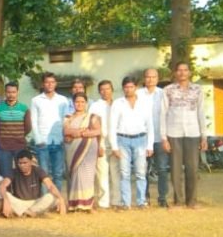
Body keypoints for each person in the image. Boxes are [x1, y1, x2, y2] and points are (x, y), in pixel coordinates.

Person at [110, 76, 155, 209]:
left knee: (141, 173)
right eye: (126, 87)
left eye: (131, 87)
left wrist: (150, 145)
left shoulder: (144, 103)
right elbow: (112, 125)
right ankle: (126, 203)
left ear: (136, 87)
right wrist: (114, 146)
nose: (128, 89)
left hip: (141, 139)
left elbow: (150, 125)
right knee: (125, 173)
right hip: (122, 140)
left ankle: (141, 201)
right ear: (123, 88)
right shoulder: (118, 103)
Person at [30, 72, 70, 191]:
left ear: (56, 83)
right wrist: (38, 140)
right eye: (47, 82)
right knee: (44, 174)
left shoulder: (63, 100)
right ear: (43, 84)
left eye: (52, 82)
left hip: (58, 141)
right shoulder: (36, 100)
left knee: (58, 174)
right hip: (43, 142)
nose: (50, 84)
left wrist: (63, 137)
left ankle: (57, 199)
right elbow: (33, 121)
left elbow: (66, 120)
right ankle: (44, 199)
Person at [63, 92, 101, 212]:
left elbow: (98, 131)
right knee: (74, 176)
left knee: (87, 176)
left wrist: (80, 133)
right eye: (77, 102)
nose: (79, 104)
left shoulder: (92, 117)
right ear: (73, 103)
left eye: (82, 102)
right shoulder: (68, 118)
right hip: (72, 150)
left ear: (86, 103)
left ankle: (88, 205)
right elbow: (66, 132)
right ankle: (74, 205)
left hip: (89, 150)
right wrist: (83, 131)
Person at [0, 150, 66, 218]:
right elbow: (2, 185)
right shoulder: (14, 171)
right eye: (20, 163)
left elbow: (50, 185)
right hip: (20, 202)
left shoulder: (38, 170)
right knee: (4, 194)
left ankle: (26, 212)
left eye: (25, 163)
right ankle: (29, 213)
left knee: (51, 197)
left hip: (35, 202)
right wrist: (6, 200)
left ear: (31, 162)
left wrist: (61, 199)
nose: (22, 165)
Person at [138, 68, 170, 207]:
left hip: (160, 137)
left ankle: (162, 198)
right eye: (148, 77)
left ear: (158, 79)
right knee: (143, 170)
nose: (150, 79)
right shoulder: (138, 94)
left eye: (153, 77)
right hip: (143, 138)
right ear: (144, 78)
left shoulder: (164, 94)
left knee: (162, 169)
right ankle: (144, 197)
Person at [89, 80, 120, 210]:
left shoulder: (118, 104)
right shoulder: (95, 106)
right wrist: (98, 144)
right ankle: (103, 202)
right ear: (99, 91)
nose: (105, 91)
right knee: (102, 174)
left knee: (116, 173)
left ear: (112, 90)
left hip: (117, 142)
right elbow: (92, 125)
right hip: (101, 141)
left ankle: (116, 201)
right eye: (102, 89)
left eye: (107, 89)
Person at [0, 81, 31, 179]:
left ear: (17, 92)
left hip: (20, 145)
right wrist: (1, 141)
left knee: (22, 172)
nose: (11, 95)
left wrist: (19, 136)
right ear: (5, 92)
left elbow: (28, 127)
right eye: (9, 92)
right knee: (5, 174)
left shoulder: (24, 108)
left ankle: (20, 189)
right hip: (4, 147)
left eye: (13, 92)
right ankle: (7, 189)